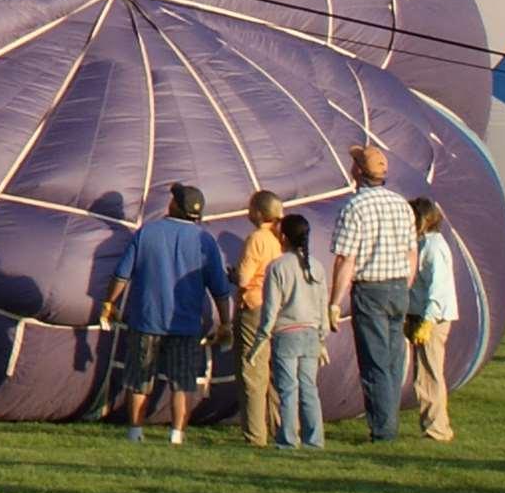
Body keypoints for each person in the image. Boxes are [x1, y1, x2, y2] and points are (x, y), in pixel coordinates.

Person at [94, 184, 233, 445]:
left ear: (175, 206)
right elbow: (221, 289)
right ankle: (177, 435)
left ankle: (135, 431)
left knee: (139, 379)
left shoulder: (148, 233)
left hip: (147, 320)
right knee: (182, 383)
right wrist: (225, 322)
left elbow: (122, 275)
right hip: (186, 325)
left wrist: (109, 302)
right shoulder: (205, 241)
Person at [327, 142, 424, 445]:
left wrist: (334, 302)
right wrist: (404, 287)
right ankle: (388, 420)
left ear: (357, 171)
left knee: (375, 361)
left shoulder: (354, 207)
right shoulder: (401, 205)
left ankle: (383, 430)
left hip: (371, 289)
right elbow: (412, 253)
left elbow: (346, 259)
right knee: (393, 359)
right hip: (398, 286)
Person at [261, 215, 330, 449]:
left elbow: (271, 308)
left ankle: (289, 439)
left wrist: (262, 335)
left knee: (288, 389)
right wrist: (322, 336)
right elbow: (323, 305)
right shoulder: (317, 267)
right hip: (311, 333)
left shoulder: (277, 267)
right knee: (309, 388)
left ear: (284, 237)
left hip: (286, 334)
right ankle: (314, 439)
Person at [233, 190, 287, 446]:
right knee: (279, 372)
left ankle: (255, 435)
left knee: (253, 370)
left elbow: (244, 279)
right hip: (279, 308)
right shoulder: (281, 239)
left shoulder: (257, 239)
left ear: (258, 212)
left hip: (255, 306)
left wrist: (234, 278)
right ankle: (283, 429)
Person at [407, 198, 463, 444]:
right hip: (420, 315)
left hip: (432, 318)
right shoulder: (424, 244)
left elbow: (438, 289)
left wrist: (428, 321)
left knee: (430, 374)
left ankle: (437, 429)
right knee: (424, 373)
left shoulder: (434, 248)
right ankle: (432, 425)